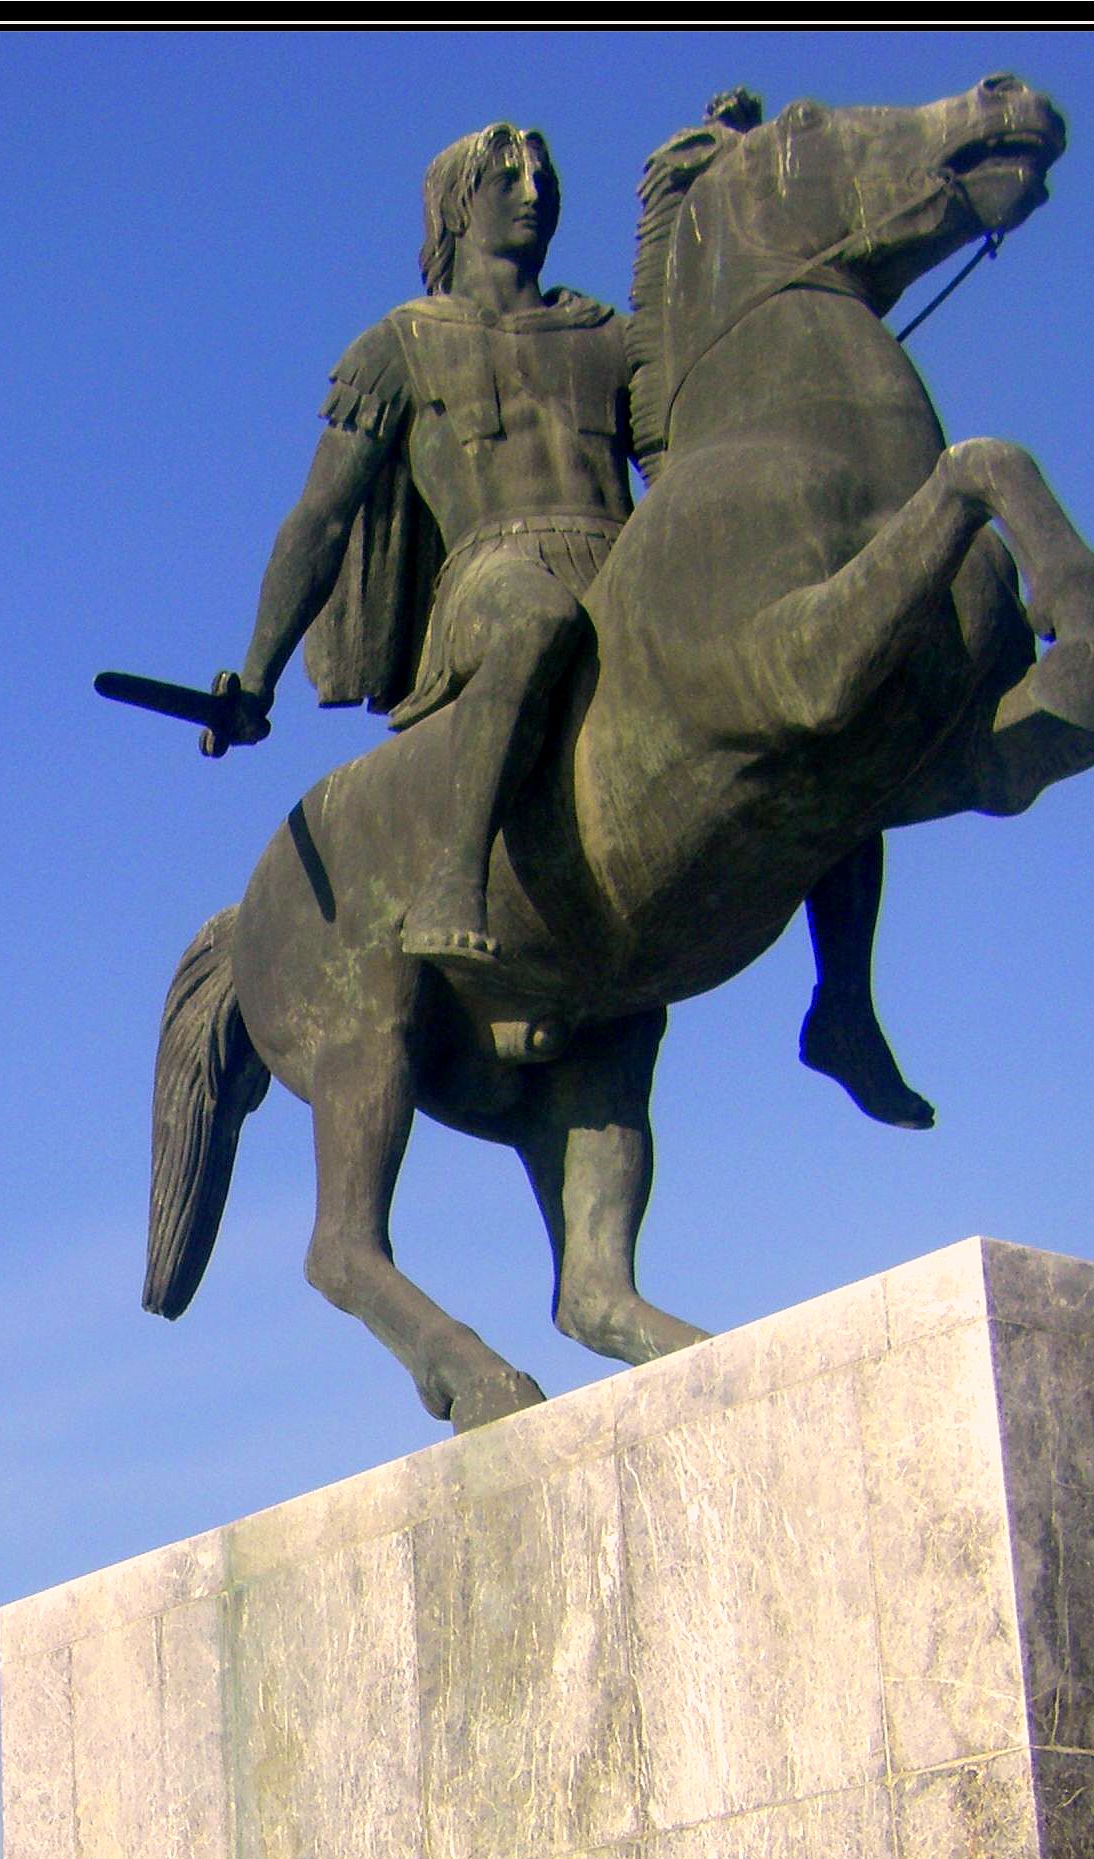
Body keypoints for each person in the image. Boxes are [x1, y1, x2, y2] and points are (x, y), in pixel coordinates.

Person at [212, 120, 931, 1123]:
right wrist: (255, 674)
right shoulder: (399, 346)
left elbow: (679, 461)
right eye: (503, 175)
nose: (532, 188)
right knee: (534, 621)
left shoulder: (606, 337)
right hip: (492, 578)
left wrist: (695, 196)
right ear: (453, 208)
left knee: (816, 694)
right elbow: (321, 518)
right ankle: (453, 878)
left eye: (542, 172)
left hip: (620, 571)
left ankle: (843, 1001)